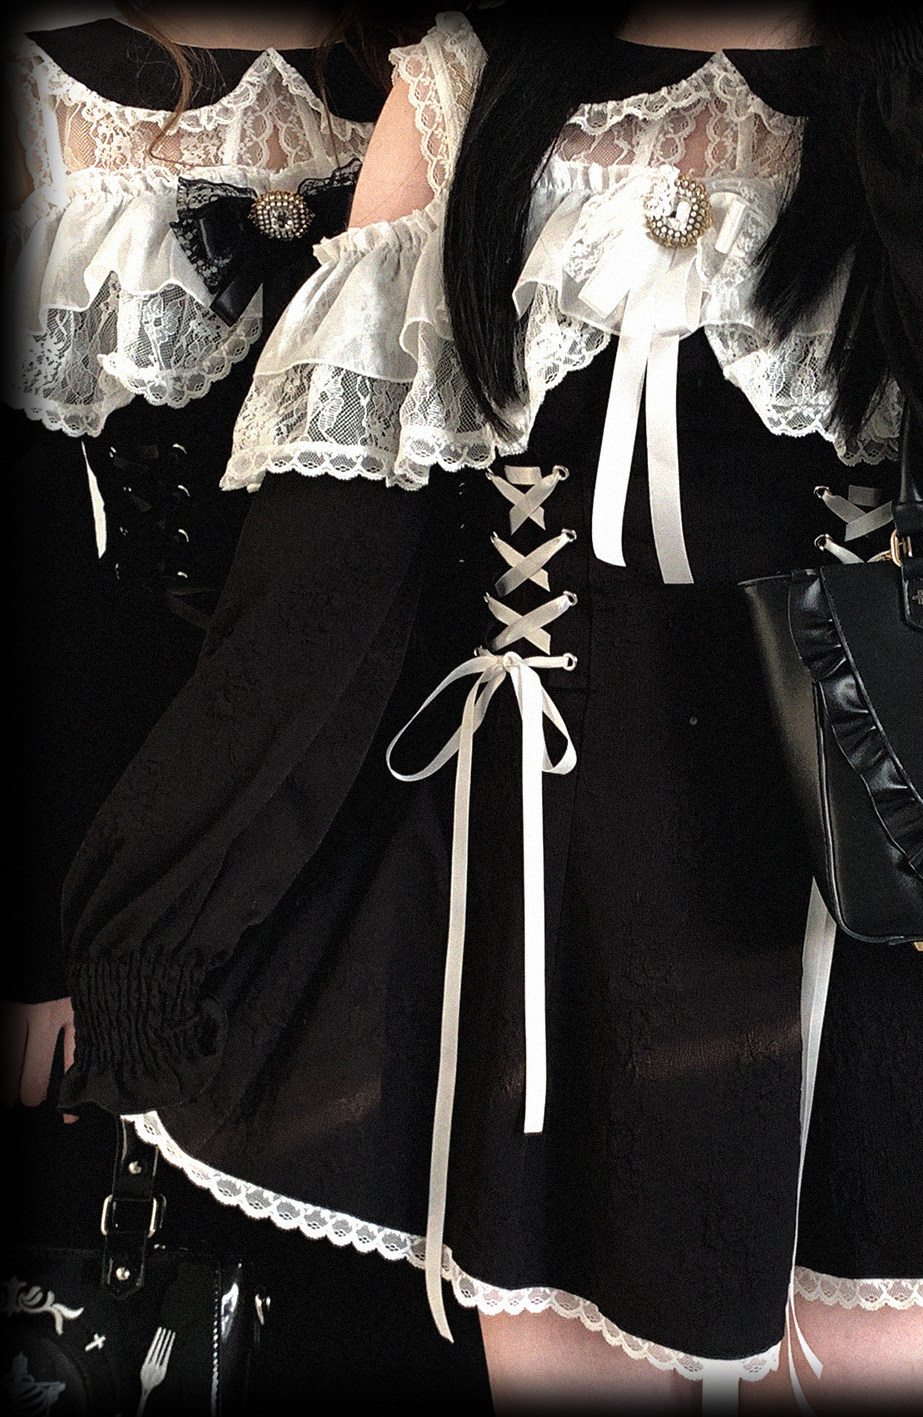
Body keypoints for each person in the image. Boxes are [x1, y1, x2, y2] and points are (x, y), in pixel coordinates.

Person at [52, 3, 923, 1409]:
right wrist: (160, 916)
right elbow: (322, 594)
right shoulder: (462, 93)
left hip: (879, 869)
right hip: (547, 872)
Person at [1, 4, 493, 1405]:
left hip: (411, 843)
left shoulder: (467, 82)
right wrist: (37, 934)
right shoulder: (42, 99)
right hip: (123, 847)